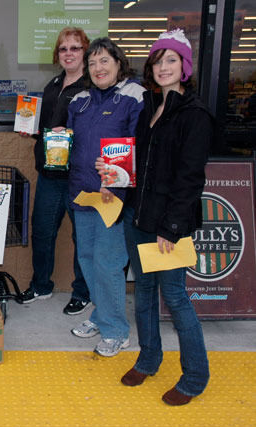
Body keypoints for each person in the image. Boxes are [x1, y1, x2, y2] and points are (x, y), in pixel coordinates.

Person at [103, 29, 212, 405]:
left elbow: (190, 179)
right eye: (158, 59)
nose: (163, 66)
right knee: (145, 293)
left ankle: (195, 376)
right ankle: (149, 358)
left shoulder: (195, 114)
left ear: (185, 66)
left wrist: (173, 227)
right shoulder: (150, 106)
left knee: (176, 297)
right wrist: (114, 175)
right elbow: (139, 165)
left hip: (168, 224)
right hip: (138, 216)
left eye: (171, 59)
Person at [66, 38, 144, 357]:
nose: (99, 68)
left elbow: (139, 144)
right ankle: (101, 316)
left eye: (105, 61)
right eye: (93, 63)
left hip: (114, 196)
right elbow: (71, 145)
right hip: (82, 193)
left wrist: (116, 180)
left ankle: (116, 331)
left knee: (109, 263)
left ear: (118, 63)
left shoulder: (134, 96)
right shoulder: (79, 101)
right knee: (87, 259)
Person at [18, 27, 92, 316]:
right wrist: (33, 131)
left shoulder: (92, 86)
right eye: (64, 49)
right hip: (50, 173)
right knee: (43, 232)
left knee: (82, 237)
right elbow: (49, 128)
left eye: (75, 48)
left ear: (85, 52)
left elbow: (95, 129)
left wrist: (71, 132)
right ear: (57, 55)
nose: (69, 53)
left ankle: (82, 292)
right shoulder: (53, 85)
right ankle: (41, 286)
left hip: (79, 175)